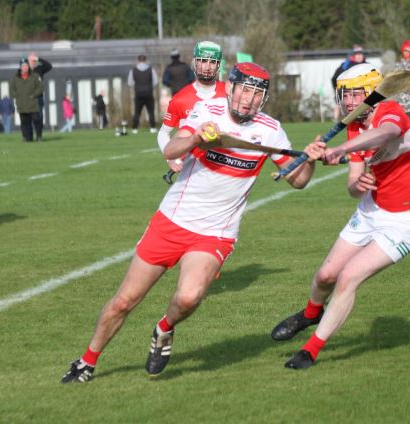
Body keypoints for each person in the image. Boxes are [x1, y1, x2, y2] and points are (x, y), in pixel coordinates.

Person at [61, 62, 325, 382]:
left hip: (215, 233)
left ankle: (164, 328)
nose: (249, 99)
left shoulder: (270, 130)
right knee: (124, 301)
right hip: (172, 222)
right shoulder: (206, 111)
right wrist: (197, 137)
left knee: (189, 297)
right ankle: (86, 361)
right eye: (244, 90)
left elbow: (298, 180)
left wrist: (310, 160)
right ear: (230, 87)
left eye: (257, 94)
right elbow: (171, 148)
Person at [271, 63, 410, 369]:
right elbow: (353, 185)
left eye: (355, 94)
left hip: (408, 219)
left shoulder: (389, 112)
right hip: (372, 208)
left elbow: (385, 133)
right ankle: (310, 314)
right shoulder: (353, 126)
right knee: (326, 275)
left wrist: (339, 149)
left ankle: (310, 350)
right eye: (345, 95)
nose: (349, 102)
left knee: (349, 277)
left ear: (372, 93)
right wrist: (358, 184)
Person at [158, 41, 226, 175]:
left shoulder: (230, 94)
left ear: (218, 65)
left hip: (224, 169)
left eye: (213, 62)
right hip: (192, 171)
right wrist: (171, 158)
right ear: (195, 62)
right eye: (203, 61)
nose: (207, 67)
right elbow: (163, 133)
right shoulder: (179, 99)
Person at [10, 58, 43, 142]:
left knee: (37, 120)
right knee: (24, 122)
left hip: (33, 104)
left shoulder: (35, 76)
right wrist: (17, 96)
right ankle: (26, 138)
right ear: (20, 67)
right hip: (22, 104)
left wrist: (34, 95)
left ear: (28, 66)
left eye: (26, 66)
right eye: (23, 66)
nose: (25, 67)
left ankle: (39, 137)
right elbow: (12, 89)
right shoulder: (15, 77)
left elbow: (40, 87)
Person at [331, 45, 367, 121]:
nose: (359, 56)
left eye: (361, 54)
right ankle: (337, 122)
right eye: (357, 54)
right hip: (346, 90)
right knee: (339, 106)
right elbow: (335, 78)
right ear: (353, 55)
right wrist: (338, 89)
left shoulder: (367, 65)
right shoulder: (345, 66)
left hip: (363, 92)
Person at [127, 54, 158, 134]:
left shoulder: (133, 70)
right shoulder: (151, 70)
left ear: (138, 60)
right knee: (151, 111)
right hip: (149, 93)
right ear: (145, 60)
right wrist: (149, 87)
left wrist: (137, 87)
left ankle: (134, 129)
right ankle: (152, 128)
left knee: (137, 112)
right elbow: (155, 82)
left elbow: (130, 83)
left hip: (138, 93)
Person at [27, 52, 52, 124]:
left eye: (34, 60)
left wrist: (37, 58)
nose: (32, 62)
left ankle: (38, 129)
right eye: (31, 60)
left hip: (39, 96)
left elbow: (49, 66)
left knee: (39, 115)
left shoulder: (39, 69)